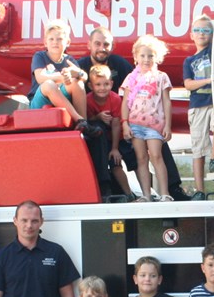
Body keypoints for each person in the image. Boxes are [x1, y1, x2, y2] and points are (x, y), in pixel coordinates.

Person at [76, 26, 188, 201]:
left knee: (156, 148)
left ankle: (172, 189)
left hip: (128, 124)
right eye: (97, 44)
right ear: (89, 44)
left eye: (106, 44)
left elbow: (135, 90)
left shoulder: (120, 64)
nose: (101, 48)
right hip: (97, 126)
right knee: (107, 144)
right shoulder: (81, 66)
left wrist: (124, 123)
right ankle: (111, 191)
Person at [183, 0, 214, 199]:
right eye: (198, 30)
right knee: (197, 148)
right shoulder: (189, 60)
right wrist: (208, 79)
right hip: (197, 105)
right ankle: (200, 190)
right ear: (192, 34)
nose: (202, 33)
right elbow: (188, 84)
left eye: (206, 30)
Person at [121, 35, 174, 201]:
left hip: (154, 124)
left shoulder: (161, 77)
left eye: (150, 56)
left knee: (156, 156)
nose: (146, 59)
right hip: (135, 124)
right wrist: (125, 124)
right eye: (143, 55)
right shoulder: (131, 78)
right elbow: (124, 103)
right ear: (136, 57)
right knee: (141, 159)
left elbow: (166, 102)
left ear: (156, 57)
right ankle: (146, 194)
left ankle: (165, 193)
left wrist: (168, 126)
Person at [28, 19, 100, 137]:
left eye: (59, 39)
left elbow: (84, 77)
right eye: (51, 39)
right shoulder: (39, 56)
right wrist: (63, 77)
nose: (55, 42)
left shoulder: (69, 60)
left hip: (61, 97)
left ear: (68, 42)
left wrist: (76, 73)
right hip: (40, 101)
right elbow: (40, 78)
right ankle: (79, 119)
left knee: (78, 83)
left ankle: (84, 127)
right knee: (49, 84)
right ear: (45, 43)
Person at [84, 64, 134, 199]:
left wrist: (115, 149)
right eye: (98, 84)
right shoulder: (87, 100)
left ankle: (129, 194)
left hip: (115, 138)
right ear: (90, 86)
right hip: (99, 139)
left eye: (106, 84)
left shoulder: (115, 99)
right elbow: (88, 120)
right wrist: (98, 116)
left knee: (116, 164)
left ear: (111, 84)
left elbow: (117, 124)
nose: (102, 88)